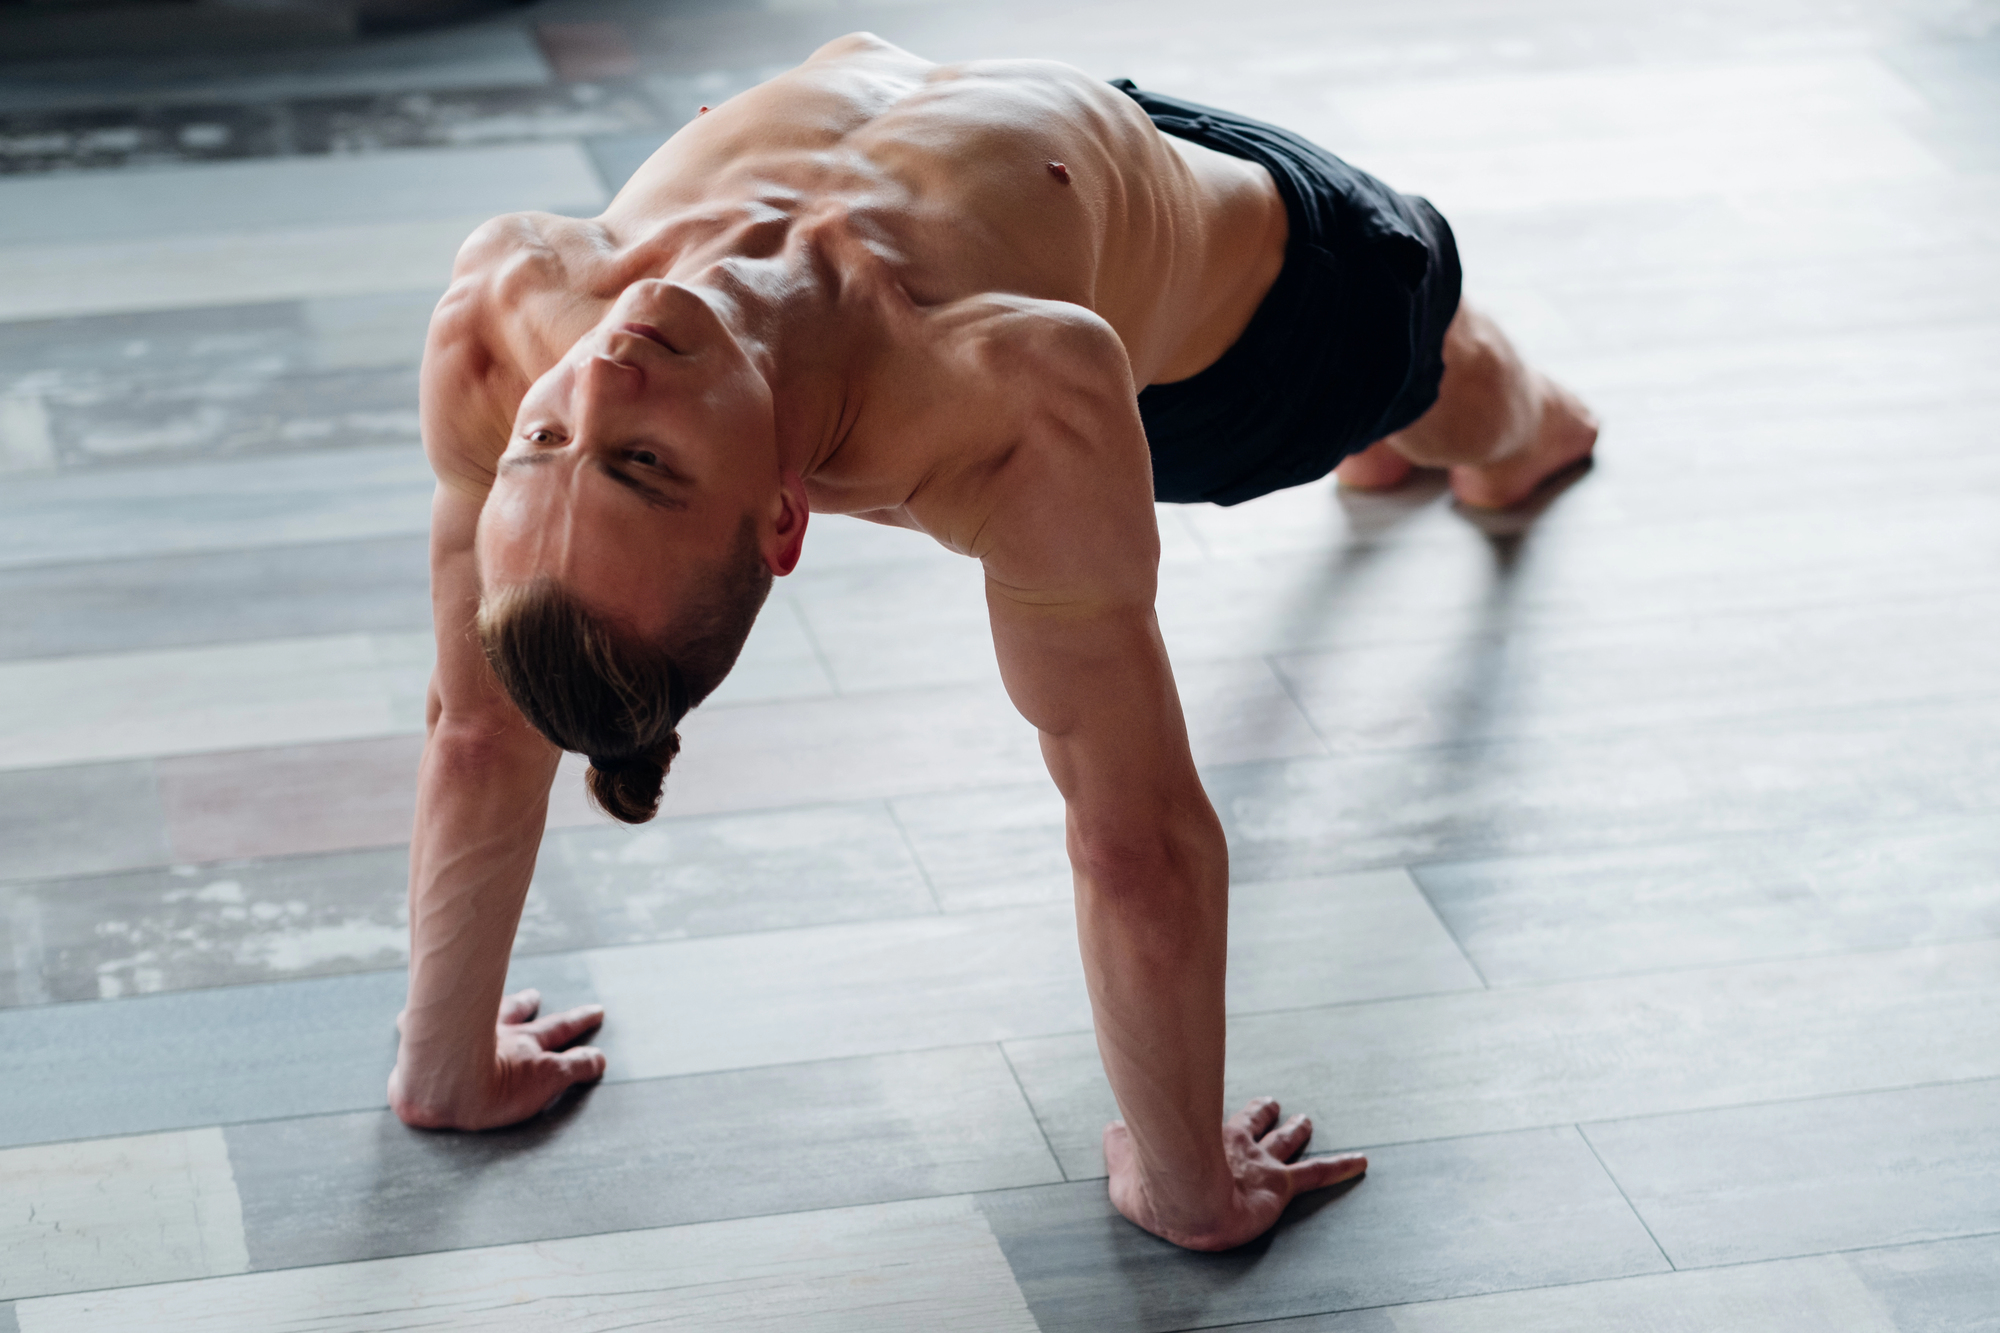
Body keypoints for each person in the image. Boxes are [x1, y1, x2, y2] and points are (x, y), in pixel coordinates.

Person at [390, 32, 1598, 1253]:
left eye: (547, 443)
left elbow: (477, 722)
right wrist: (1189, 1188)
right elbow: (1131, 838)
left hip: (1076, 147)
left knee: (1375, 411)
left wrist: (447, 1070)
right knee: (1455, 371)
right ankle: (1501, 434)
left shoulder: (512, 307)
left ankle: (1386, 433)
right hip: (1271, 318)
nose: (599, 384)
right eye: (645, 462)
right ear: (783, 517)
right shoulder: (1003, 391)